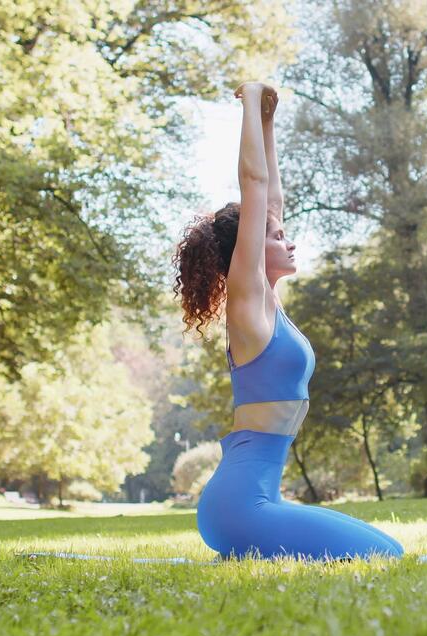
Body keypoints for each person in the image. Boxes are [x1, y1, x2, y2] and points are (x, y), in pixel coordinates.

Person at [171, 81, 404, 562]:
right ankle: (239, 544)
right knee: (385, 554)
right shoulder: (248, 301)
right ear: (252, 249)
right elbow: (254, 189)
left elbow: (269, 199)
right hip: (239, 506)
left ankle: (238, 551)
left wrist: (269, 124)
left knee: (386, 547)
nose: (288, 240)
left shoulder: (271, 307)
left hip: (254, 502)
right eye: (276, 236)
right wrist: (251, 104)